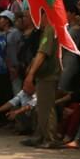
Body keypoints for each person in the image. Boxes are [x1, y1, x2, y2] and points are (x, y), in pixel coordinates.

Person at [21, 16, 60, 148]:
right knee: (41, 106)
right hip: (45, 74)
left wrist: (31, 73)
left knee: (46, 107)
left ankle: (50, 138)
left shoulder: (50, 29)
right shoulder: (49, 29)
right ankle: (39, 135)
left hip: (48, 74)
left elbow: (42, 53)